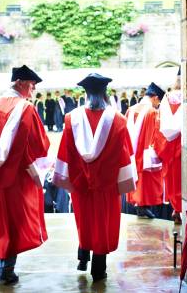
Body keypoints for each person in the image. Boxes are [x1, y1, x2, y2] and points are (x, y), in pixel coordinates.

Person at [0, 64, 50, 285]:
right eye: (32, 85)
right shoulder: (26, 109)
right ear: (21, 83)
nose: (33, 90)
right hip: (14, 178)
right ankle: (7, 268)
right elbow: (37, 144)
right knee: (13, 221)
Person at [53, 73, 135, 283]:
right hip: (107, 185)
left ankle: (83, 256)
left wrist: (68, 179)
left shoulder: (72, 118)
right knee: (104, 223)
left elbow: (65, 151)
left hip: (81, 184)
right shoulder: (118, 120)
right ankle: (99, 268)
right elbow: (125, 153)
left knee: (85, 219)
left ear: (86, 93)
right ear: (105, 92)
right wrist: (125, 182)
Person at [126, 82, 164, 218]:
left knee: (135, 178)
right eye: (158, 101)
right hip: (145, 154)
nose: (157, 104)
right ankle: (143, 205)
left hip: (131, 154)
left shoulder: (130, 110)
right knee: (146, 180)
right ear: (154, 98)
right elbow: (158, 135)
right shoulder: (152, 112)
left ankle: (138, 205)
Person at [154, 67, 182, 224]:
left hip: (169, 146)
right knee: (183, 177)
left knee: (171, 178)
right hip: (182, 144)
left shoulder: (166, 98)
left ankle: (175, 208)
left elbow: (159, 125)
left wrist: (161, 149)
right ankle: (181, 209)